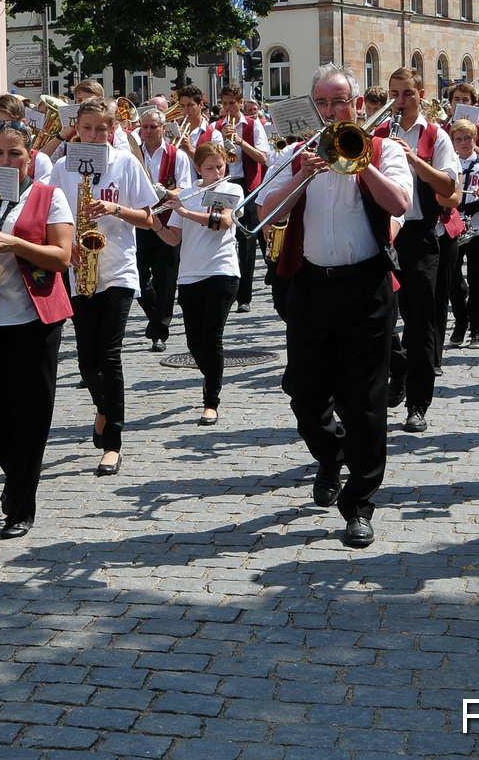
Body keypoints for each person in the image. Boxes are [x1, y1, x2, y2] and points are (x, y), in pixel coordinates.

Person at [258, 64, 413, 549]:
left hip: (366, 288)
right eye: (322, 103)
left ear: (357, 105)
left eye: (340, 102)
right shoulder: (294, 154)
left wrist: (361, 162)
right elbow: (267, 214)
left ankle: (360, 505)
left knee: (365, 403)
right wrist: (298, 176)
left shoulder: (383, 149)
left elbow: (400, 204)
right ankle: (331, 455)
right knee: (305, 396)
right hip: (309, 286)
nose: (331, 112)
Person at [0, 118, 74, 537]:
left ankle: (22, 504)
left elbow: (61, 257)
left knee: (30, 414)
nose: (5, 160)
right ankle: (18, 476)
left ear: (30, 157)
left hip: (31, 318)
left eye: (14, 153)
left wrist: (14, 243)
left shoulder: (49, 196)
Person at [47, 98, 158, 475]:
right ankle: (103, 406)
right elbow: (49, 215)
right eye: (88, 128)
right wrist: (66, 244)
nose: (94, 135)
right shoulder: (63, 166)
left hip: (119, 269)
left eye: (101, 129)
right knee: (86, 362)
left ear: (112, 130)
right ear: (76, 127)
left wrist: (113, 209)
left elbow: (149, 218)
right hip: (80, 270)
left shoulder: (125, 163)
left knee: (109, 356)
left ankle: (113, 442)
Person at [381, 67, 462, 434]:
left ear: (421, 94)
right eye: (394, 95)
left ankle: (417, 404)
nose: (399, 103)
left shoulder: (437, 135)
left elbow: (449, 188)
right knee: (378, 318)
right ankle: (399, 369)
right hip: (382, 233)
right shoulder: (379, 132)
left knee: (420, 321)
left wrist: (413, 159)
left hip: (419, 235)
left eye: (407, 95)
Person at [153, 143, 240, 423]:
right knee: (194, 342)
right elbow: (174, 238)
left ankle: (211, 401)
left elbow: (223, 222)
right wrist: (154, 223)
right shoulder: (188, 194)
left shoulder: (231, 190)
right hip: (190, 274)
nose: (217, 172)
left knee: (212, 336)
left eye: (221, 166)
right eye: (210, 167)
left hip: (222, 270)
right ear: (198, 169)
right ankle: (210, 375)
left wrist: (187, 212)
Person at [199, 86, 270, 313]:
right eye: (225, 103)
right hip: (224, 184)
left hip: (248, 185)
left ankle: (244, 297)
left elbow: (263, 157)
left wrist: (240, 141)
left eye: (232, 103)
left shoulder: (253, 125)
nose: (228, 108)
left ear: (240, 103)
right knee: (222, 234)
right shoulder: (216, 128)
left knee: (247, 240)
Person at [132, 105, 194, 353]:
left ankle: (159, 331)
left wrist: (166, 192)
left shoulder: (176, 155)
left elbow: (187, 190)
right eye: (144, 127)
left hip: (167, 223)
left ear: (163, 129)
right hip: (139, 221)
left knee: (165, 280)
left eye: (153, 127)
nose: (148, 132)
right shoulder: (132, 155)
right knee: (136, 279)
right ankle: (156, 311)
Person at [447, 120, 479, 349]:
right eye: (459, 139)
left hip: (478, 225)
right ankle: (460, 321)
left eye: (468, 138)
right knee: (453, 278)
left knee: (477, 279)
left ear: (475, 140)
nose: (464, 143)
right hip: (454, 224)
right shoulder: (448, 163)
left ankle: (477, 328)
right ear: (452, 142)